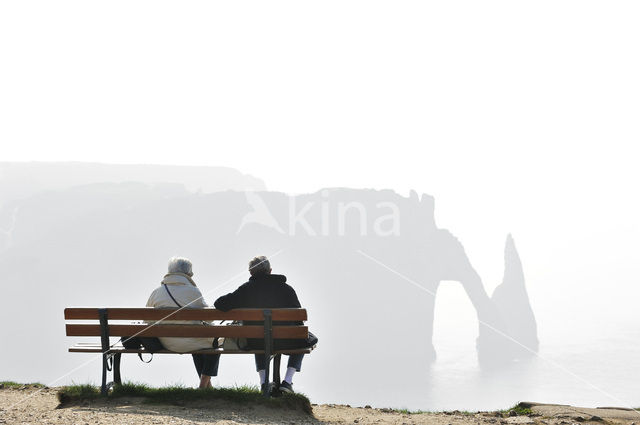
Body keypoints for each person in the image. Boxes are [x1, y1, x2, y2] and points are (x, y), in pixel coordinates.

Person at [214, 255, 314, 394]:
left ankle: (264, 383)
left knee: (260, 334)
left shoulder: (246, 289)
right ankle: (287, 381)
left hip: (256, 342)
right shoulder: (286, 289)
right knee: (306, 337)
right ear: (270, 270)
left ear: (250, 272)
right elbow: (299, 320)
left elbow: (219, 304)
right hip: (287, 341)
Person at [146, 257, 221, 389]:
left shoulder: (156, 293)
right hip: (191, 341)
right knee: (215, 342)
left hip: (165, 342)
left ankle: (208, 387)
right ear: (188, 274)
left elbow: (147, 320)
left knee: (200, 343)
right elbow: (209, 319)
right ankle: (203, 385)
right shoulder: (193, 292)